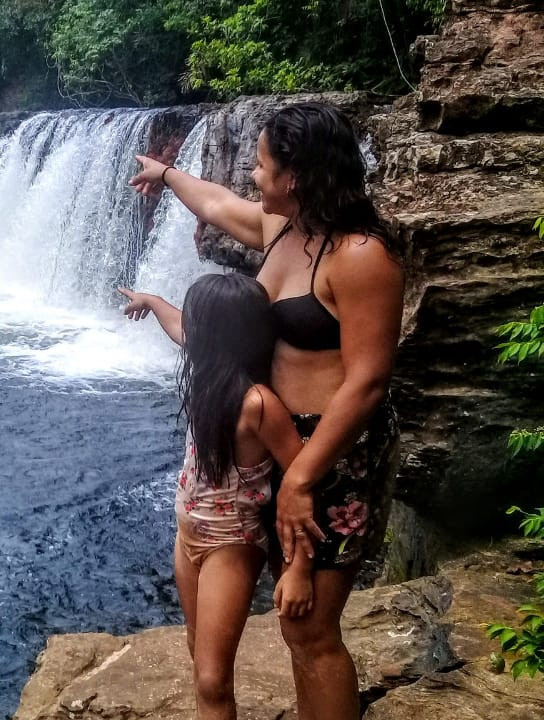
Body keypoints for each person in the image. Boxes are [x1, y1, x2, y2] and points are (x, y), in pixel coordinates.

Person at [122, 102, 404, 720]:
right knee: (287, 615)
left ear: (295, 177)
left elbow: (367, 382)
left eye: (261, 165)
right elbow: (219, 205)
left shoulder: (361, 256)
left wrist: (301, 479)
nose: (253, 176)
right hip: (270, 446)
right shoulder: (284, 230)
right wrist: (167, 175)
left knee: (310, 630)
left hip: (330, 455)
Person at [127, 273, 312, 720]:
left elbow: (304, 481)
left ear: (219, 334)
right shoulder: (211, 371)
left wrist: (299, 567)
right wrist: (151, 301)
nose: (190, 329)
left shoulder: (258, 403)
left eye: (198, 321)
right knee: (197, 652)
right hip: (187, 533)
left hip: (230, 544)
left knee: (212, 679)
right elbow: (180, 328)